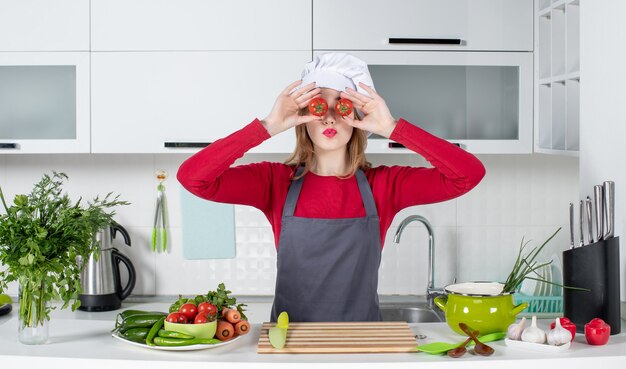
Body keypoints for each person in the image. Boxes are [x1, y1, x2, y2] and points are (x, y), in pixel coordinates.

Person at [177, 53, 485, 322]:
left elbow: (468, 174)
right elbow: (193, 178)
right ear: (303, 118)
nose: (331, 117)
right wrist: (268, 125)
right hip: (292, 346)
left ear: (358, 119)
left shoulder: (386, 185)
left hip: (362, 346)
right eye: (319, 106)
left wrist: (393, 128)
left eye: (344, 107)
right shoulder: (274, 182)